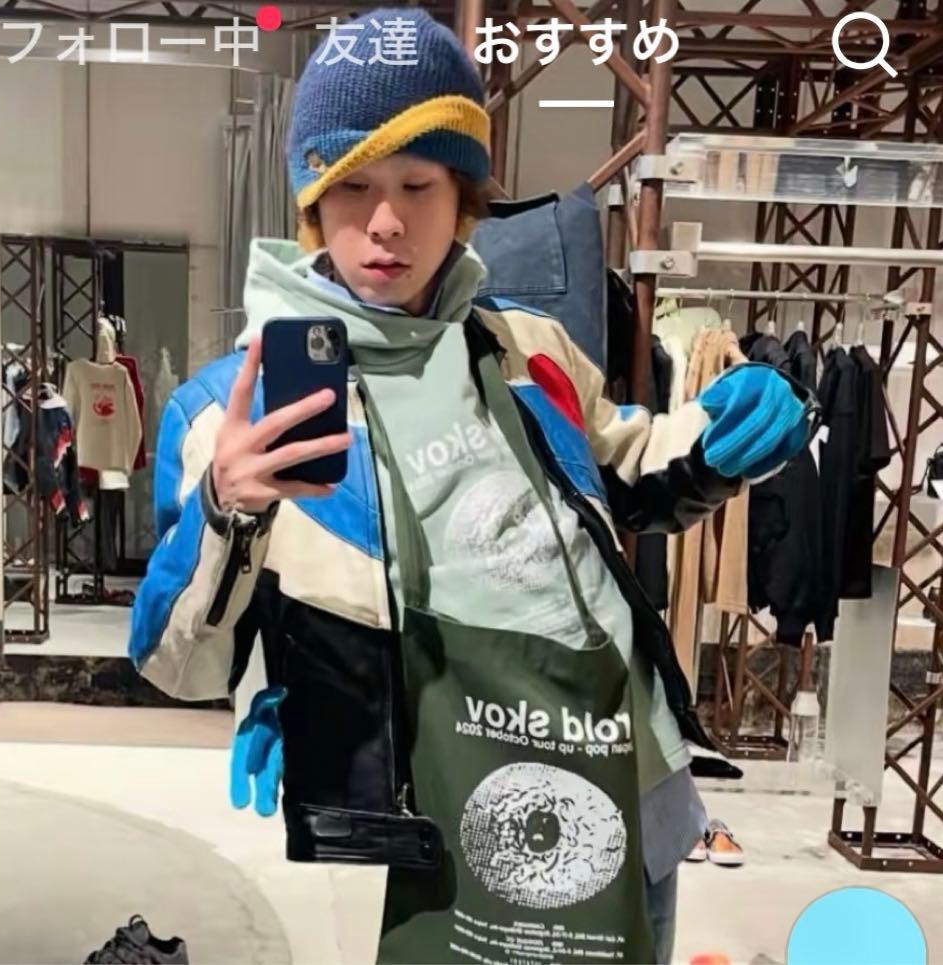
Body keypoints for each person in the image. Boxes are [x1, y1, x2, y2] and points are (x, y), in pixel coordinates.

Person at [128, 9, 810, 963]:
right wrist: (227, 512)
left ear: (464, 200)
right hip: (430, 819)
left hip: (623, 778)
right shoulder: (229, 408)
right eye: (352, 185)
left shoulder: (528, 349)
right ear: (311, 202)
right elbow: (175, 662)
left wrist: (726, 435)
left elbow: (625, 466)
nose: (386, 222)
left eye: (419, 184)